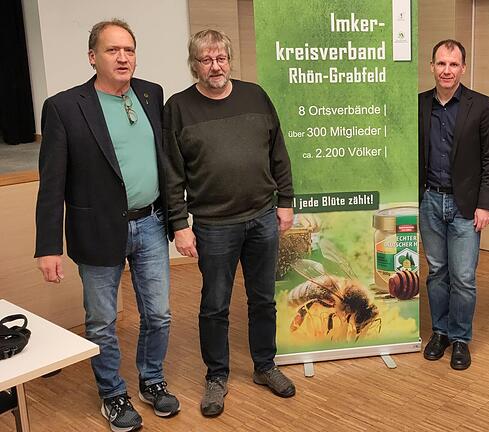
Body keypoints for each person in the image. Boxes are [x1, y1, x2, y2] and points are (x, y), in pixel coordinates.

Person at [34, 19, 179, 432]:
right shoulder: (64, 107)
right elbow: (52, 183)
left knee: (160, 314)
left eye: (129, 50)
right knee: (101, 321)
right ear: (92, 57)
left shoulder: (151, 94)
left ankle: (152, 381)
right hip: (96, 230)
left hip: (150, 223)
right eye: (113, 50)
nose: (123, 57)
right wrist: (48, 246)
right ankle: (113, 394)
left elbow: (164, 162)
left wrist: (177, 220)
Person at [163, 29, 296, 416]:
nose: (215, 66)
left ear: (229, 60)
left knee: (262, 299)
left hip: (261, 218)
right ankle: (216, 376)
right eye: (206, 60)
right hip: (212, 224)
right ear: (194, 65)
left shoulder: (256, 96)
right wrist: (179, 223)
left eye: (220, 58)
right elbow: (171, 173)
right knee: (215, 304)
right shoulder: (178, 108)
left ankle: (264, 366)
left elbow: (279, 153)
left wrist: (285, 201)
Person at [418, 39, 489, 371]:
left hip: (466, 205)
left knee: (464, 276)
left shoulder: (481, 106)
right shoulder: (420, 104)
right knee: (437, 272)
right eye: (441, 63)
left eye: (453, 64)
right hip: (429, 201)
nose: (447, 70)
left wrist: (486, 204)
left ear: (463, 68)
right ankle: (439, 333)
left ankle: (461, 339)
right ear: (432, 67)